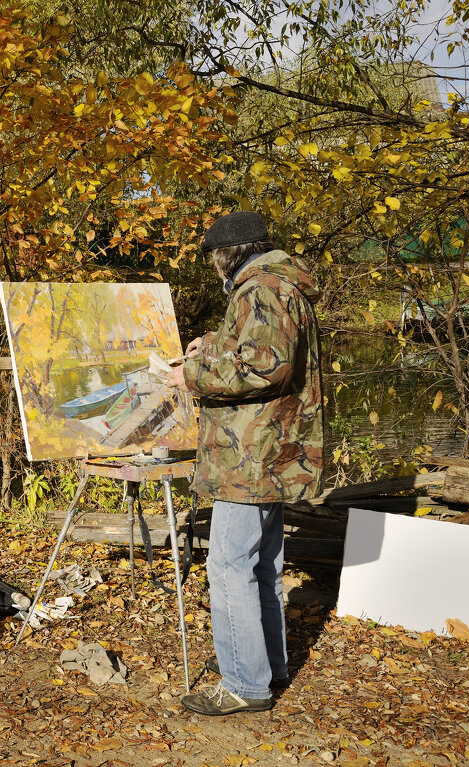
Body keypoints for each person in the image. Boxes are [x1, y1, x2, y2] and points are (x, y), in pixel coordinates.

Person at [165, 210, 323, 716]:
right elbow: (263, 350)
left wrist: (192, 375)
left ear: (230, 253)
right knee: (261, 564)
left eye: (214, 255)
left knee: (230, 564)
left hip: (250, 455)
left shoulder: (261, 289)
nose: (213, 266)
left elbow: (264, 368)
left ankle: (242, 684)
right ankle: (267, 668)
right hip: (266, 450)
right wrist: (210, 346)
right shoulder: (277, 285)